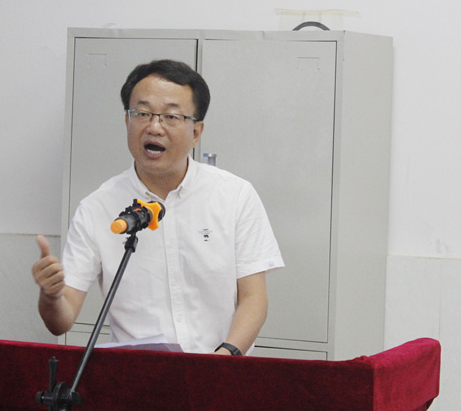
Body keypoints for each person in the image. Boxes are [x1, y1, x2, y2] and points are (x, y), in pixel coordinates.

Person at [32, 59, 284, 355]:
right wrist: (50, 297)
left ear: (196, 132)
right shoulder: (96, 208)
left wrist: (226, 356)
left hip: (220, 369)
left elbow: (254, 298)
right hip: (139, 374)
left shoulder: (235, 195)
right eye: (142, 113)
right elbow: (61, 321)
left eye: (171, 117)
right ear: (127, 122)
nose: (154, 127)